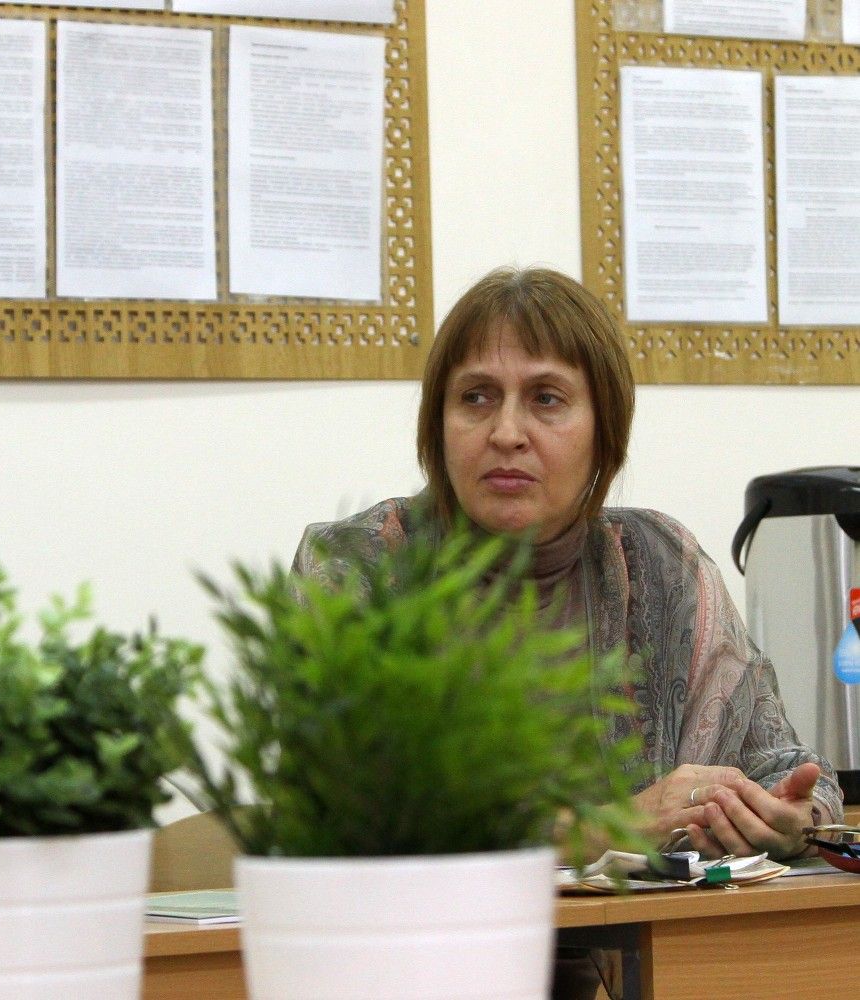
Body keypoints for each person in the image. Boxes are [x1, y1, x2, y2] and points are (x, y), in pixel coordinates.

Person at [291, 267, 841, 998]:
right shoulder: (361, 568)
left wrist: (785, 819)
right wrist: (614, 824)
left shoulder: (658, 563)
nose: (506, 432)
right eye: (476, 397)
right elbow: (357, 833)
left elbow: (785, 765)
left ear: (604, 432)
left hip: (641, 968)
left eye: (546, 399)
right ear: (437, 425)